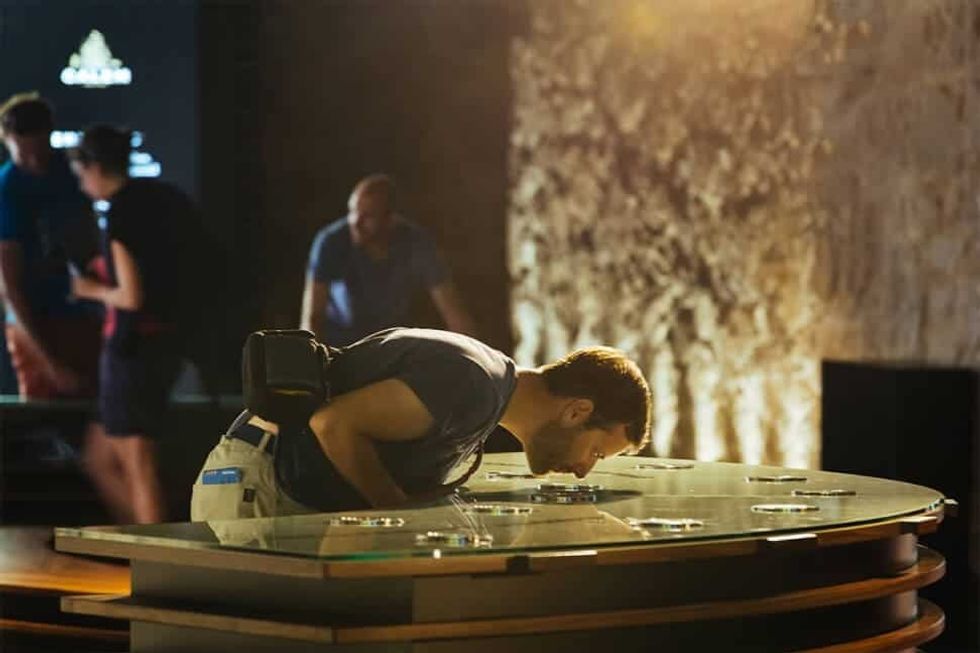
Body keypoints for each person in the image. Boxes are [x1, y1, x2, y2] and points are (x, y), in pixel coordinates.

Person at [190, 327, 651, 521]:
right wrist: (398, 515)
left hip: (277, 489)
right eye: (595, 451)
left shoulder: (485, 394)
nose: (584, 471)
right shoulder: (470, 384)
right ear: (577, 412)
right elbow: (335, 424)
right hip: (256, 487)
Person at [67, 125, 207, 523]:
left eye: (81, 175)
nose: (82, 187)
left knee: (137, 465)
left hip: (133, 354)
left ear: (93, 167)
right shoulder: (162, 201)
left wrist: (87, 288)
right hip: (161, 348)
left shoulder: (123, 213)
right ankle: (149, 547)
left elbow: (130, 296)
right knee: (99, 458)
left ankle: (158, 559)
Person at [0, 93, 100, 398]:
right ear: (7, 140)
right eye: (24, 156)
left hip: (83, 316)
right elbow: (9, 287)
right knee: (42, 419)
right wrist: (49, 364)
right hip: (33, 322)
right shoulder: (7, 190)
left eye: (40, 152)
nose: (34, 163)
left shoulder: (71, 173)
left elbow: (91, 242)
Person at [300, 174, 476, 346]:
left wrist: (476, 358)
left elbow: (452, 312)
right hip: (340, 346)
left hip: (391, 345)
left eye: (367, 216)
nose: (355, 222)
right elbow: (313, 317)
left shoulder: (417, 243)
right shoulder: (330, 242)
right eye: (353, 211)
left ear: (390, 219)